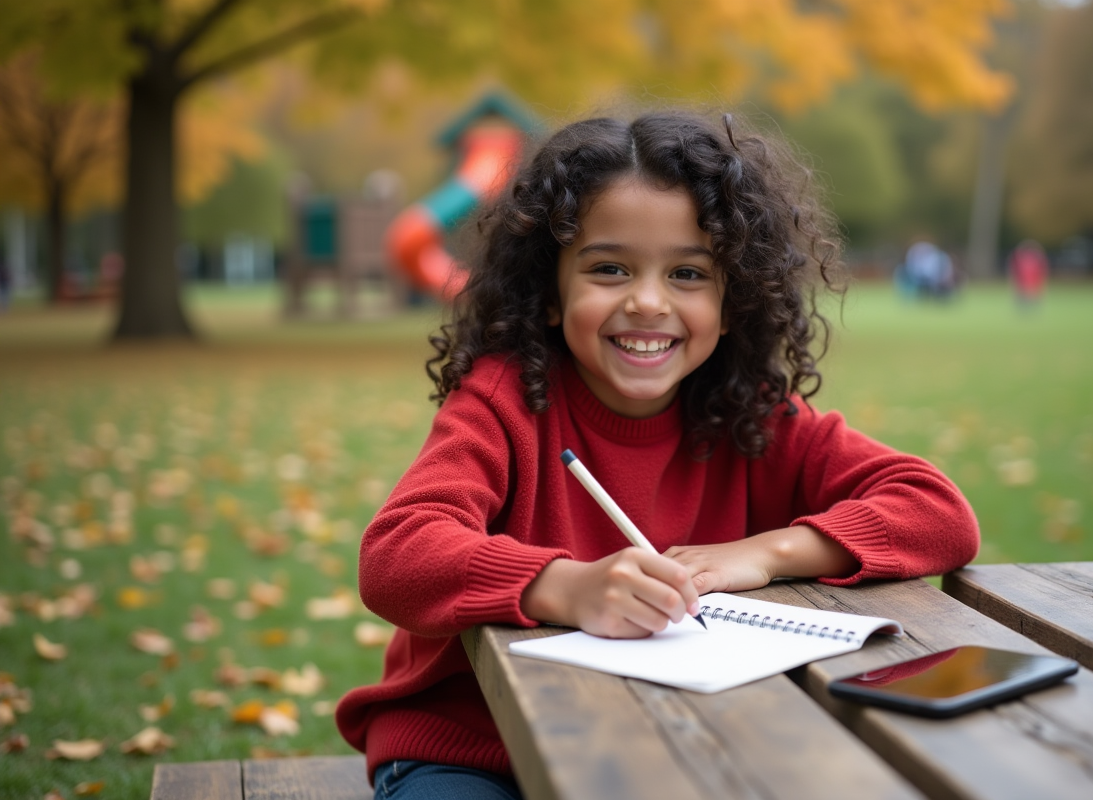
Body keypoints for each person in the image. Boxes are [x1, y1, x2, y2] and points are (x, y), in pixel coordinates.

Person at [336, 110, 980, 800]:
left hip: (667, 743)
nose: (648, 302)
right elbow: (397, 555)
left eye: (688, 274)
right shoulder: (504, 402)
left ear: (733, 300)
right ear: (550, 292)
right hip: (474, 751)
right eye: (609, 269)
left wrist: (765, 553)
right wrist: (565, 586)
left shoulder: (749, 415)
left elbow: (938, 513)